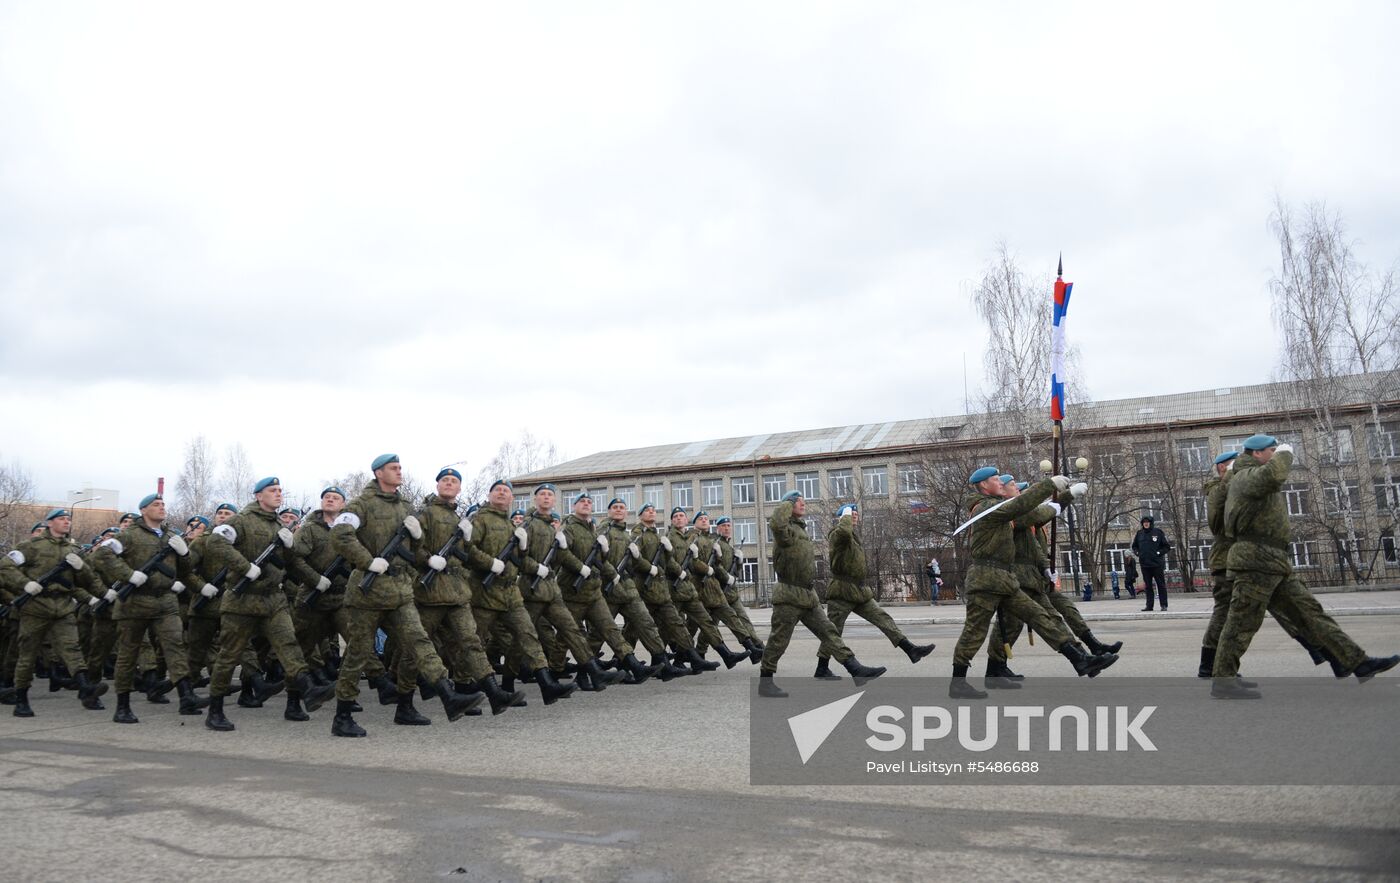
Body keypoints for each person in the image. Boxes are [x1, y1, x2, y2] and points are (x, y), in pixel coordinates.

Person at [1211, 435, 1398, 698]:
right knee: (1241, 623)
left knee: (1310, 613)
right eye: (1272, 450)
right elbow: (1275, 475)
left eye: (1276, 450)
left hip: (1272, 560)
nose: (1275, 453)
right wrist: (1286, 452)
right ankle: (1223, 681)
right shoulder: (1245, 476)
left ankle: (1357, 662)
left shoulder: (1249, 475)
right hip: (1255, 562)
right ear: (1257, 453)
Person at [327, 454, 484, 736]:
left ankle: (447, 696)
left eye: (400, 468)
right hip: (368, 592)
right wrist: (367, 561)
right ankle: (342, 715)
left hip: (400, 590)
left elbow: (415, 548)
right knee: (358, 653)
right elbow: (340, 534)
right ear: (378, 473)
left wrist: (418, 535)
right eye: (393, 468)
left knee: (419, 642)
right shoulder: (360, 504)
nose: (399, 472)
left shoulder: (406, 507)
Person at [949, 468, 1117, 699]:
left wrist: (1064, 497)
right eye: (996, 480)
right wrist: (1050, 485)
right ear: (984, 485)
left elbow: (1033, 513)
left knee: (1039, 616)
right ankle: (958, 683)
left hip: (1004, 579)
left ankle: (1079, 660)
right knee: (974, 631)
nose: (1000, 483)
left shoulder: (999, 507)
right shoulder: (985, 508)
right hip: (985, 579)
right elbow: (1021, 505)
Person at [202, 477, 336, 730]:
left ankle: (308, 690)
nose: (278, 494)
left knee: (289, 645)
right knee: (229, 655)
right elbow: (215, 542)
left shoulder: (279, 525)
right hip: (242, 599)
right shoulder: (241, 520)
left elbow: (291, 562)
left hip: (273, 598)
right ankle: (215, 709)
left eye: (279, 490)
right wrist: (245, 567)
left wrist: (307, 569)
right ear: (258, 495)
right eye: (272, 490)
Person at [90, 493, 207, 722]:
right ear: (143, 510)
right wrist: (128, 574)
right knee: (128, 653)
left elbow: (185, 570)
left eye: (163, 504)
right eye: (156, 504)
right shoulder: (129, 535)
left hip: (165, 601)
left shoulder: (171, 536)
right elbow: (102, 555)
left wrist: (184, 553)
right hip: (135, 602)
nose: (161, 507)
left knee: (175, 647)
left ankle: (187, 697)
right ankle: (122, 706)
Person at [757, 491, 885, 697]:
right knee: (778, 640)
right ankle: (765, 682)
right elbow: (776, 524)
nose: (803, 503)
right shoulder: (785, 530)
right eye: (798, 501)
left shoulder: (800, 529)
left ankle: (855, 669)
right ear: (789, 505)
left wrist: (792, 502)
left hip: (808, 595)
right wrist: (786, 503)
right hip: (789, 595)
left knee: (829, 632)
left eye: (803, 500)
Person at [0, 508, 110, 716]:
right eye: (61, 519)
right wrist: (25, 584)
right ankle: (21, 699)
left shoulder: (74, 550)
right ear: (50, 523)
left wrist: (83, 570)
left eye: (68, 519)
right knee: (27, 654)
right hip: (36, 606)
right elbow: (5, 566)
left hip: (63, 606)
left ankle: (85, 688)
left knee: (72, 649)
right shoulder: (31, 546)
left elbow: (88, 580)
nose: (66, 522)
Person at [813, 503, 935, 680]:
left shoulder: (853, 536)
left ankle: (910, 649)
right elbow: (843, 532)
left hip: (860, 590)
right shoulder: (837, 534)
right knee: (834, 631)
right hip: (842, 592)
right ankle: (822, 668)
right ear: (842, 517)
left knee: (883, 618)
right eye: (851, 514)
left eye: (856, 513)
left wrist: (847, 517)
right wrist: (845, 516)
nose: (855, 516)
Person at [1131, 516, 1171, 610]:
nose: (1146, 523)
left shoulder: (1158, 532)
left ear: (1151, 523)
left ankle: (1163, 605)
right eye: (1144, 522)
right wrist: (1138, 553)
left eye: (1147, 522)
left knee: (1160, 585)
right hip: (1145, 564)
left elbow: (1166, 547)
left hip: (1157, 564)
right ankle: (1149, 606)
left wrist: (1159, 553)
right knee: (1148, 586)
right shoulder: (1140, 534)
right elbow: (1134, 546)